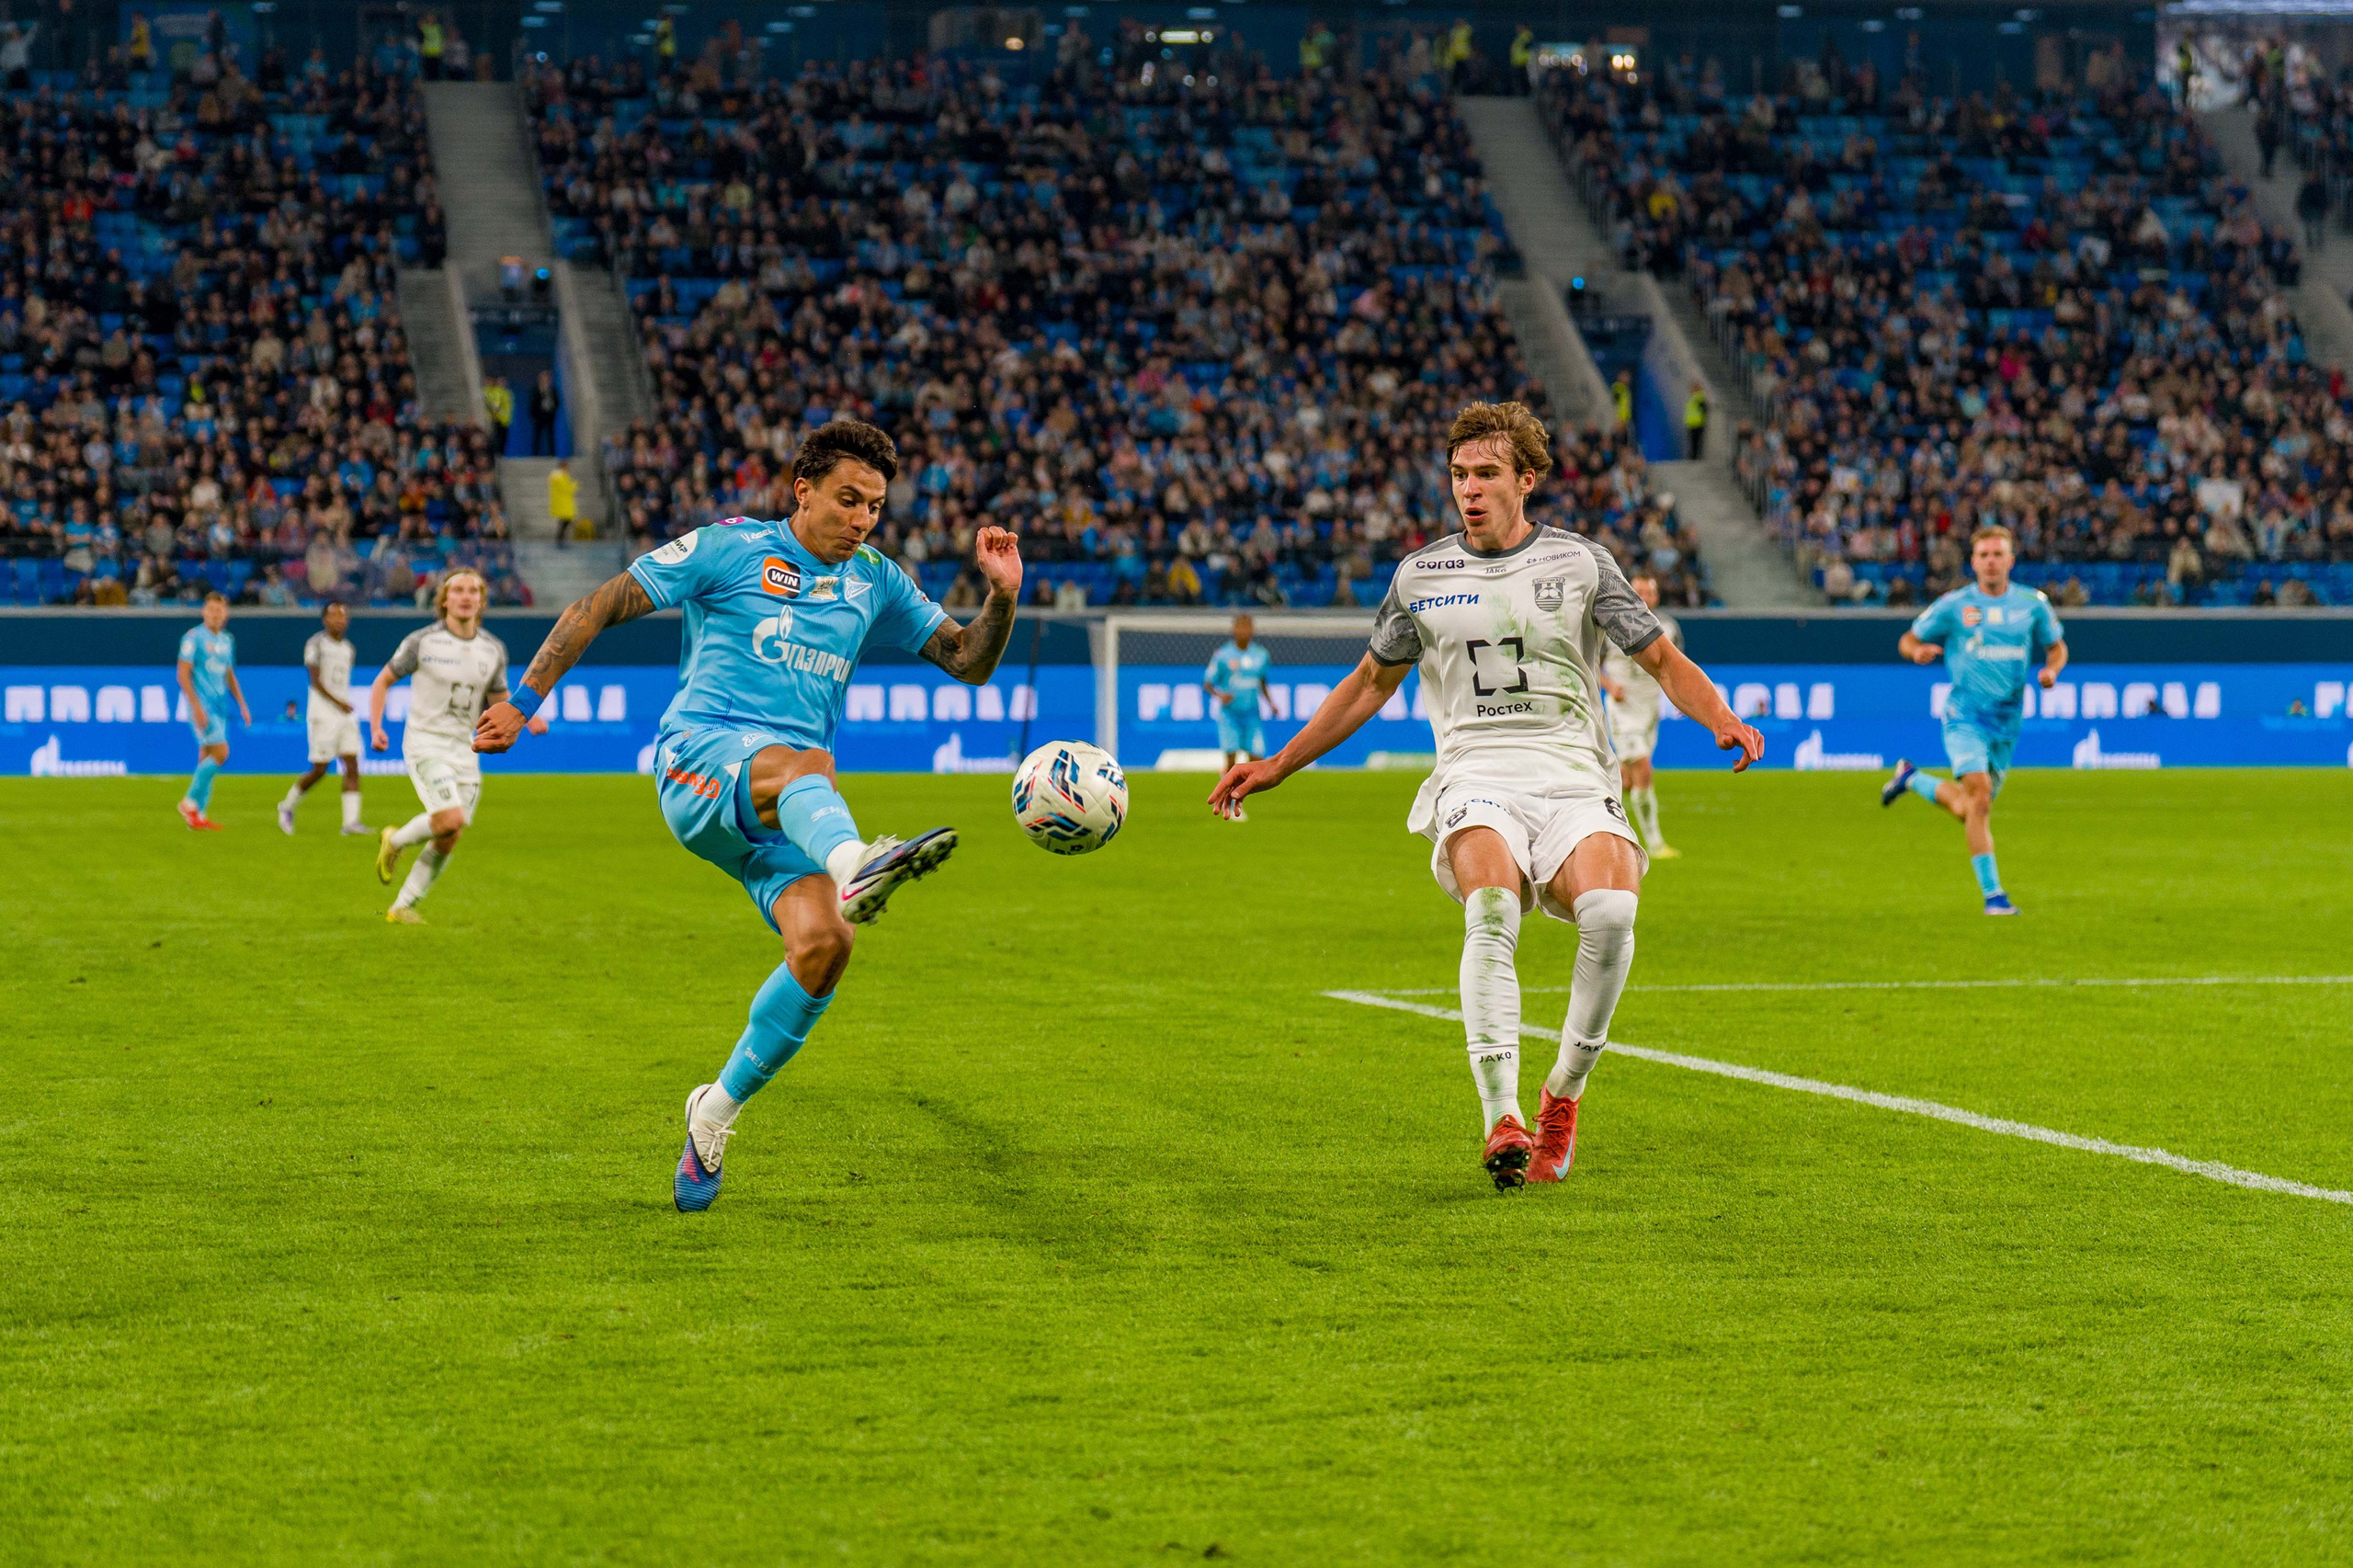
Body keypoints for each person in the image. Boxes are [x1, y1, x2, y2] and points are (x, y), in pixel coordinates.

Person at [472, 419, 1026, 1212]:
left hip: (790, 815)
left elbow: (968, 661)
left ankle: (714, 1113)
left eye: (874, 505)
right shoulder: (730, 549)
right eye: (847, 500)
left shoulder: (877, 579)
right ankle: (856, 865)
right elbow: (601, 603)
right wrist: (524, 703)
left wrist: (1001, 597)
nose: (862, 519)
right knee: (808, 765)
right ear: (802, 491)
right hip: (701, 764)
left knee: (827, 945)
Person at [1209, 403, 1763, 1191]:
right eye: (1460, 474)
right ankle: (1502, 1116)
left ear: (1526, 480)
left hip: (1572, 769)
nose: (1469, 489)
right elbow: (1371, 683)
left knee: (1612, 912)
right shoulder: (1420, 576)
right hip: (1476, 771)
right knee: (1493, 906)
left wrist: (1721, 716)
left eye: (1487, 474)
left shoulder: (1581, 565)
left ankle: (1560, 1097)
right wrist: (1279, 763)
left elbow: (1661, 660)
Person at [1880, 524, 2067, 915]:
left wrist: (2052, 671)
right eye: (1984, 555)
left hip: (2008, 721)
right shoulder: (1954, 606)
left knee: (1971, 808)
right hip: (1964, 716)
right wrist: (1916, 652)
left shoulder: (2033, 604)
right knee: (1979, 797)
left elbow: (2057, 646)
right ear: (1973, 562)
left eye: (1998, 554)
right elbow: (1908, 638)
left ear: (2011, 560)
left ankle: (1911, 778)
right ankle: (1994, 897)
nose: (1991, 562)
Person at [368, 569, 547, 924]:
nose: (465, 597)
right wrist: (376, 727)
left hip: (465, 748)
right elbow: (382, 681)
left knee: (451, 834)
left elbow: (497, 698)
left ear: (481, 600)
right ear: (444, 599)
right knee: (451, 817)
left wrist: (524, 715)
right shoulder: (422, 641)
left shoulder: (492, 649)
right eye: (458, 590)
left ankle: (401, 907)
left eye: (473, 591)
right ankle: (397, 841)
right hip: (425, 741)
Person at [1598, 568, 1682, 858]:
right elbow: (1589, 663)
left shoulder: (1668, 628)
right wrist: (1609, 686)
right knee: (1644, 769)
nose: (1643, 598)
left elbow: (1675, 667)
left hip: (1649, 709)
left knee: (1628, 778)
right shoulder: (1610, 626)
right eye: (1638, 592)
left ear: (1656, 596)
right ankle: (1655, 844)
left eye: (1648, 592)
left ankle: (1595, 821)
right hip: (1623, 708)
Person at [278, 600, 369, 835]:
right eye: (334, 615)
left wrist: (343, 704)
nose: (339, 619)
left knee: (352, 764)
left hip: (345, 714)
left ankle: (350, 823)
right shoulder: (316, 644)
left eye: (343, 615)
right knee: (320, 769)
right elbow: (316, 682)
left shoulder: (349, 649)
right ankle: (287, 805)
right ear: (325, 620)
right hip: (323, 713)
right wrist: (339, 703)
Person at [176, 591, 249, 830]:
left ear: (226, 614)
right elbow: (182, 673)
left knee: (207, 758)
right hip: (202, 705)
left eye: (220, 610)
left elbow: (229, 675)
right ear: (203, 612)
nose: (216, 614)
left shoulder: (227, 640)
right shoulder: (193, 637)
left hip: (220, 706)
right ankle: (188, 802)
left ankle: (199, 815)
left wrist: (242, 703)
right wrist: (196, 706)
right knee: (222, 752)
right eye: (211, 610)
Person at [1203, 612, 1270, 817]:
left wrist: (1272, 703)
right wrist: (1219, 695)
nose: (1244, 630)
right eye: (1240, 626)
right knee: (1232, 760)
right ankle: (1230, 804)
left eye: (1247, 626)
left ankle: (1235, 793)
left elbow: (1261, 682)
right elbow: (1207, 683)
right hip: (1229, 716)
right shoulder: (1223, 655)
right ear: (1234, 629)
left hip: (1252, 716)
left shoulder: (1261, 655)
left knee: (1257, 760)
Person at [529, 369, 560, 457]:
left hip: (549, 416)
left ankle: (552, 454)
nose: (545, 380)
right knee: (537, 436)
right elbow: (532, 403)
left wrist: (552, 406)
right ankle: (535, 454)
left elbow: (557, 402)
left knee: (550, 435)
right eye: (543, 378)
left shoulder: (552, 390)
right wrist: (533, 416)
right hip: (539, 416)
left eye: (547, 378)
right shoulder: (536, 389)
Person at [549, 456, 576, 548]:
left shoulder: (562, 475)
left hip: (564, 502)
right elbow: (565, 488)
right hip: (562, 502)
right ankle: (559, 540)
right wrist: (574, 485)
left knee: (564, 522)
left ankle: (561, 539)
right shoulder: (559, 476)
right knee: (565, 521)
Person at [483, 375, 514, 453]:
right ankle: (496, 453)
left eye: (503, 381)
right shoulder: (495, 392)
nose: (502, 383)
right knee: (496, 438)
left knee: (504, 439)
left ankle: (502, 453)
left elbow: (509, 406)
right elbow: (495, 406)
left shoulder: (507, 393)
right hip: (496, 419)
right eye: (500, 381)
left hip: (505, 420)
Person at [1683, 381, 1709, 460]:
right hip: (1692, 423)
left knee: (1696, 442)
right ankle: (1693, 457)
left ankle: (1695, 458)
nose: (1690, 389)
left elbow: (1704, 410)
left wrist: (1703, 420)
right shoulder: (1693, 397)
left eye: (1692, 387)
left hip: (1698, 423)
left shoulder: (1699, 398)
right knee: (1693, 442)